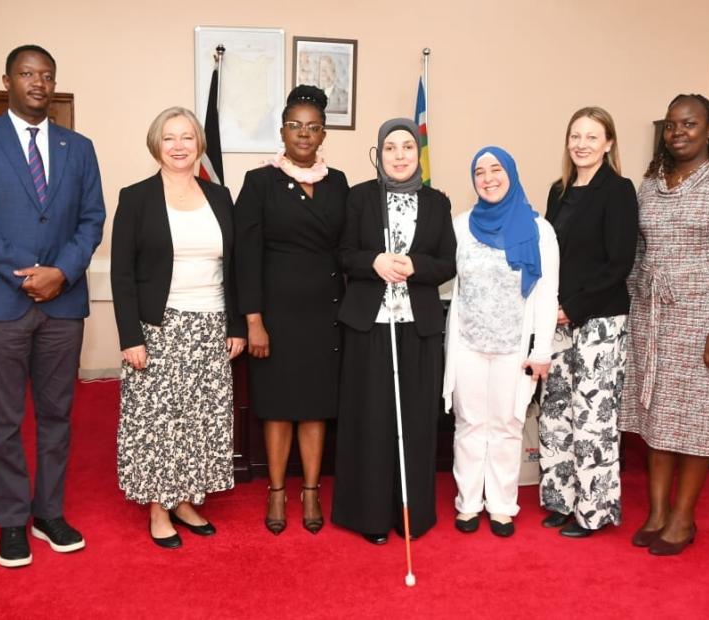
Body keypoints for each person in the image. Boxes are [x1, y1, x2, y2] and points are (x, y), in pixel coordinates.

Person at [0, 44, 105, 567]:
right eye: (27, 73)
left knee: (57, 416)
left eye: (47, 75)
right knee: (2, 422)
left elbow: (91, 218)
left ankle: (49, 513)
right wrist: (27, 273)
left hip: (63, 305)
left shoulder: (79, 146)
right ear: (6, 80)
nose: (38, 82)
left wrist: (62, 272)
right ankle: (10, 522)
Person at [111, 107, 246, 548]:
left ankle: (187, 499)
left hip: (210, 325)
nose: (179, 146)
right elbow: (122, 273)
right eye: (169, 138)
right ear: (156, 144)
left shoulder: (220, 198)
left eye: (187, 137)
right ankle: (158, 508)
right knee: (159, 421)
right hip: (158, 328)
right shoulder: (136, 197)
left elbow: (237, 268)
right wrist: (130, 336)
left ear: (199, 144)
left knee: (201, 419)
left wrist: (236, 324)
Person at [332, 118, 456, 544]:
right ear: (379, 153)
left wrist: (416, 267)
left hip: (416, 328)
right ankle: (368, 516)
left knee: (416, 423)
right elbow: (344, 253)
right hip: (369, 326)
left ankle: (411, 515)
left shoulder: (438, 203)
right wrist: (374, 263)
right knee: (369, 421)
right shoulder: (360, 198)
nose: (400, 155)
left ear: (416, 154)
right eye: (391, 147)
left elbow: (448, 263)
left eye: (407, 147)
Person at [234, 85, 349, 535]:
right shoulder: (259, 181)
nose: (304, 133)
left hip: (326, 314)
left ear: (324, 135)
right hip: (276, 317)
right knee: (279, 407)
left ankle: (312, 491)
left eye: (313, 127)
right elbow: (246, 256)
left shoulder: (339, 183)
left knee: (315, 408)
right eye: (296, 125)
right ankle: (278, 492)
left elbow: (347, 248)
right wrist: (254, 320)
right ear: (282, 130)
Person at [619, 94, 709, 555]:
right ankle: (657, 512)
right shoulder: (651, 182)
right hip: (651, 314)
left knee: (696, 419)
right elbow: (639, 252)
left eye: (690, 124)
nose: (678, 132)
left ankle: (683, 519)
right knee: (656, 415)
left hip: (703, 316)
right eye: (672, 125)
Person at [443, 146, 559, 537]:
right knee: (470, 424)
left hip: (514, 348)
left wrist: (541, 350)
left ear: (511, 172)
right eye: (480, 171)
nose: (489, 178)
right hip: (468, 344)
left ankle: (502, 506)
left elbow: (546, 295)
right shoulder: (460, 226)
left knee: (508, 425)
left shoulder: (539, 230)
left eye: (496, 169)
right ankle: (469, 503)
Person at [538, 107, 638, 537]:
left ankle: (593, 512)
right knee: (556, 413)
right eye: (575, 136)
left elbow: (619, 262)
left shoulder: (618, 190)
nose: (581, 144)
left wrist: (573, 307)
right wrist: (550, 306)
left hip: (599, 320)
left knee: (593, 419)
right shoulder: (558, 191)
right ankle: (561, 500)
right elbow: (548, 257)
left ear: (609, 143)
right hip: (557, 320)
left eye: (592, 137)